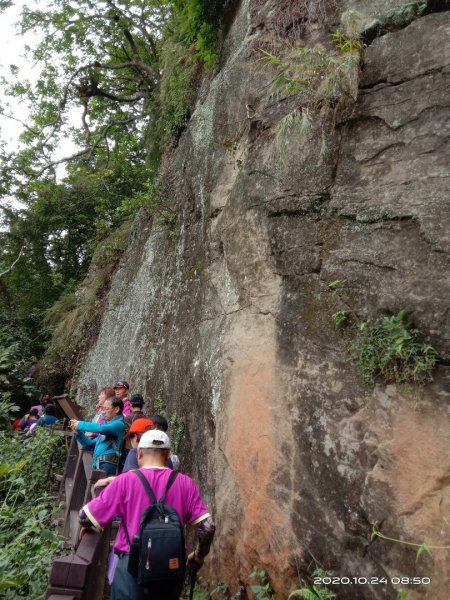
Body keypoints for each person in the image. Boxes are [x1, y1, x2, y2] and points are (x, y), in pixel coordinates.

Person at [79, 429, 215, 600]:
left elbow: (85, 517)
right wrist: (199, 555)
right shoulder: (185, 483)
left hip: (131, 564)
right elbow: (208, 527)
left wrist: (87, 526)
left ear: (140, 453)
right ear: (168, 455)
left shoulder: (125, 481)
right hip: (171, 565)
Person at [93, 417, 155, 491]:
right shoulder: (165, 457)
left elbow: (130, 480)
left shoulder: (135, 453)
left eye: (130, 437)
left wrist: (108, 480)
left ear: (136, 436)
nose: (130, 441)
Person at [70, 397, 126, 475]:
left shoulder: (119, 424)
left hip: (108, 465)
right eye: (103, 409)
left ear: (116, 409)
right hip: (99, 464)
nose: (103, 412)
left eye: (106, 409)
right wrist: (78, 433)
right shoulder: (108, 426)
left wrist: (79, 424)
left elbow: (101, 428)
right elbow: (90, 445)